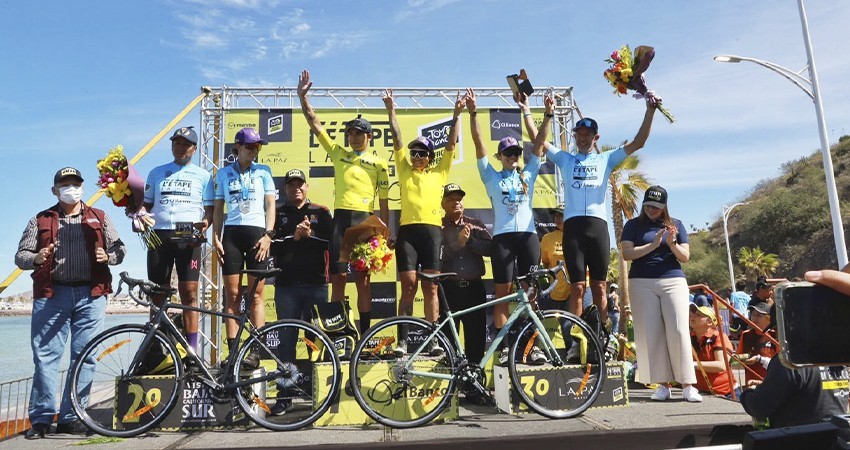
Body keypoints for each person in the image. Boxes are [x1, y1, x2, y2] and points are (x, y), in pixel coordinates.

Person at [15, 167, 126, 438]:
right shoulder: (40, 220)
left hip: (92, 295)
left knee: (86, 357)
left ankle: (72, 416)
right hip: (52, 295)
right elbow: (20, 256)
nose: (71, 189)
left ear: (83, 188)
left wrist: (109, 257)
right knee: (45, 358)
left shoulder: (100, 217)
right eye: (65, 185)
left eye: (75, 184)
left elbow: (120, 248)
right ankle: (41, 419)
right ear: (54, 190)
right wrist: (36, 258)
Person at [534, 91, 659, 329]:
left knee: (599, 286)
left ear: (595, 137)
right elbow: (537, 139)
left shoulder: (606, 159)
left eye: (587, 135)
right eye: (579, 134)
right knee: (577, 287)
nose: (582, 139)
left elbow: (639, 142)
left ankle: (603, 335)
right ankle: (576, 337)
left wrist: (650, 111)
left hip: (597, 226)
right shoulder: (565, 159)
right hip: (573, 227)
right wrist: (546, 115)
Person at [297, 70, 390, 335]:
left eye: (359, 133)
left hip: (365, 222)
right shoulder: (339, 154)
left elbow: (384, 200)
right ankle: (336, 334)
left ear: (369, 136)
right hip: (341, 221)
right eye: (350, 133)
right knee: (338, 278)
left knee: (363, 281)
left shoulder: (379, 163)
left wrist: (385, 232)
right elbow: (315, 125)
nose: (354, 137)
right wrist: (303, 98)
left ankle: (365, 334)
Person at [467, 88, 545, 364]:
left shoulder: (528, 174)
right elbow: (479, 144)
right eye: (507, 152)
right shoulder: (490, 176)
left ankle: (532, 346)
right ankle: (502, 348)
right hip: (502, 238)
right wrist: (473, 114)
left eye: (515, 152)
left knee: (530, 294)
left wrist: (545, 115)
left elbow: (539, 145)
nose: (512, 156)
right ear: (499, 156)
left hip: (528, 237)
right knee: (502, 294)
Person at [384, 89, 463, 356]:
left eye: (421, 153)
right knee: (408, 286)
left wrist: (456, 114)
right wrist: (391, 111)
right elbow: (396, 138)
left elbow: (450, 144)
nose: (416, 156)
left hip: (432, 232)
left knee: (431, 287)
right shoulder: (404, 169)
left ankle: (433, 340)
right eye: (413, 153)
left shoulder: (440, 172)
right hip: (407, 233)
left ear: (429, 156)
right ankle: (402, 341)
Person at [620, 185, 701, 402]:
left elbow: (685, 257)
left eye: (656, 206)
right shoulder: (632, 225)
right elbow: (627, 253)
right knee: (650, 333)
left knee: (678, 329)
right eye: (648, 205)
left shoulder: (676, 224)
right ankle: (662, 384)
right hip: (641, 282)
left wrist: (672, 244)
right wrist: (654, 244)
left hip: (672, 279)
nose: (651, 210)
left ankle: (687, 385)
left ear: (664, 206)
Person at [143, 125, 214, 351]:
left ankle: (192, 351)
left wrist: (206, 224)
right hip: (159, 234)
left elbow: (210, 210)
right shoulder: (156, 172)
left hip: (188, 234)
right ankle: (157, 347)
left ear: (194, 149)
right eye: (177, 143)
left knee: (189, 294)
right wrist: (137, 215)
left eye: (186, 144)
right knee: (157, 293)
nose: (181, 148)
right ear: (172, 146)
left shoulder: (203, 175)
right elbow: (145, 205)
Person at [269, 168, 333, 416]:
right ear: (285, 189)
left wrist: (311, 234)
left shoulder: (321, 212)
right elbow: (272, 246)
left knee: (315, 341)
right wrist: (294, 237)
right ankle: (284, 396)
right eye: (291, 185)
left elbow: (332, 243)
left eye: (300, 184)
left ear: (307, 187)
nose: (296, 188)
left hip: (316, 285)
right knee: (286, 343)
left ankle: (320, 395)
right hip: (286, 287)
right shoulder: (278, 213)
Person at [213, 127, 276, 367]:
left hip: (257, 235)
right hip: (232, 236)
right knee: (232, 296)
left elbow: (270, 206)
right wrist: (216, 237)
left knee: (256, 295)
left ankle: (255, 353)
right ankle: (233, 354)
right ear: (237, 147)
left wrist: (268, 235)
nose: (255, 150)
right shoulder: (223, 174)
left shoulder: (264, 171)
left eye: (257, 146)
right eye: (250, 146)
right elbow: (218, 210)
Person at [440, 183, 493, 367]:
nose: (456, 203)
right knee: (448, 344)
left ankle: (473, 381)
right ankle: (451, 381)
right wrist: (458, 243)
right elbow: (436, 257)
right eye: (451, 199)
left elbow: (491, 248)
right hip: (448, 291)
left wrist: (470, 242)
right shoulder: (437, 227)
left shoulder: (475, 224)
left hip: (474, 290)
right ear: (442, 204)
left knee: (476, 344)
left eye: (459, 199)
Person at [740, 356, 849, 429]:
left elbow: (759, 406)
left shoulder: (790, 360)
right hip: (836, 438)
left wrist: (746, 394)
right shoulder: (838, 357)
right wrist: (770, 384)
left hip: (797, 440)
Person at [690, 304, 738, 399]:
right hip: (699, 393)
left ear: (709, 322)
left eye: (698, 315)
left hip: (725, 394)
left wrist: (694, 364)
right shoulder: (689, 338)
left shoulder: (719, 337)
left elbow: (721, 365)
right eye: (693, 314)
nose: (692, 317)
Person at [735, 301, 779, 383]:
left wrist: (759, 359)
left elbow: (781, 364)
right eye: (753, 314)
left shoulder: (776, 336)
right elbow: (737, 360)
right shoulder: (746, 335)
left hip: (771, 382)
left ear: (769, 318)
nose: (754, 318)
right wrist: (736, 359)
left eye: (759, 315)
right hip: (750, 382)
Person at [538, 205, 570, 311]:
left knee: (577, 320)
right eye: (556, 216)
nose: (558, 219)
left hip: (577, 289)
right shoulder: (547, 238)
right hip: (556, 290)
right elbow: (545, 263)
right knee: (561, 321)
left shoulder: (578, 235)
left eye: (561, 215)